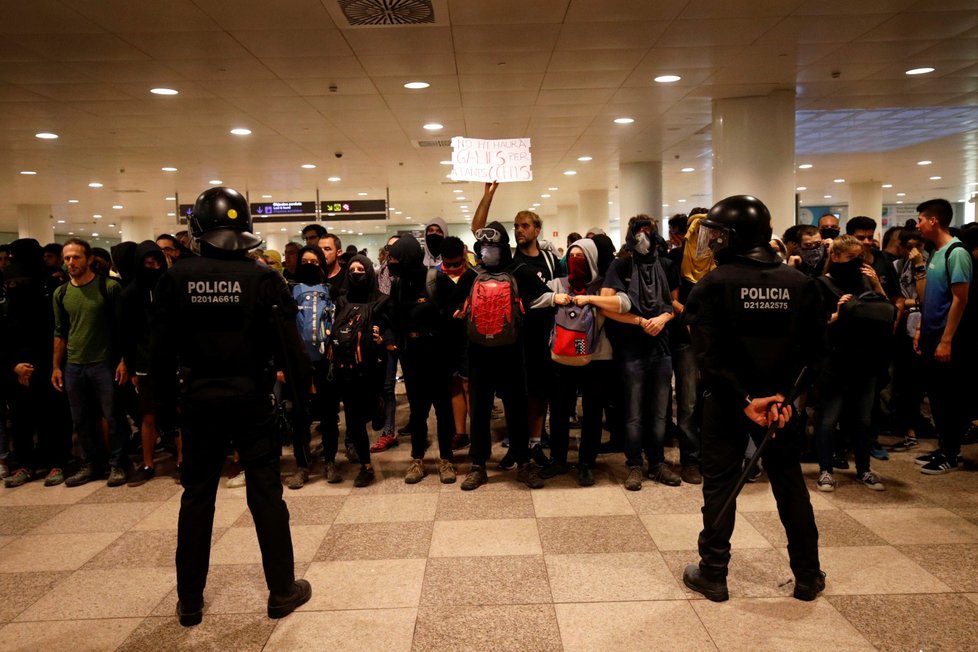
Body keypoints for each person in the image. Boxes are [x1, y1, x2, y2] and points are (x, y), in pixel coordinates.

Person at [151, 186, 312, 626]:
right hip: (250, 402)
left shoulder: (175, 278)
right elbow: (289, 348)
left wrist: (163, 413)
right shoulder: (261, 277)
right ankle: (281, 591)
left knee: (197, 497)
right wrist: (301, 404)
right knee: (266, 495)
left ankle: (189, 601)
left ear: (197, 228)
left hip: (198, 403)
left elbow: (159, 353)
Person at [682, 195, 824, 602]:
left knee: (721, 487)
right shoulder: (801, 284)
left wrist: (746, 399)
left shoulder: (712, 284)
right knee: (790, 485)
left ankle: (713, 573)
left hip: (728, 402)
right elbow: (816, 355)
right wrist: (784, 398)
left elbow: (707, 357)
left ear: (733, 237)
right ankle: (807, 575)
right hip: (781, 407)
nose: (712, 240)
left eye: (718, 233)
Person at [52, 238, 130, 488]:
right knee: (81, 418)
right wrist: (56, 366)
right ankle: (90, 463)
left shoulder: (108, 287)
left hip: (103, 362)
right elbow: (60, 332)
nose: (71, 262)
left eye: (76, 257)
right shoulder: (61, 293)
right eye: (67, 258)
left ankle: (118, 463)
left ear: (88, 259)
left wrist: (123, 360)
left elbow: (123, 329)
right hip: (74, 364)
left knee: (113, 416)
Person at [913, 199, 972, 474]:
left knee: (949, 397)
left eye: (921, 220)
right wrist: (920, 330)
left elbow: (960, 299)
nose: (918, 225)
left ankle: (952, 452)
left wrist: (947, 339)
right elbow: (930, 298)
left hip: (947, 338)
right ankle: (945, 446)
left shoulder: (956, 252)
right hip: (930, 334)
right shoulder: (936, 252)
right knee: (936, 396)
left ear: (933, 220)